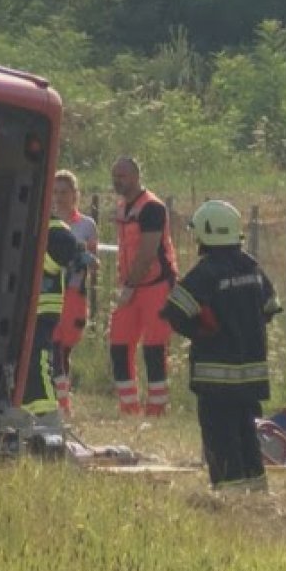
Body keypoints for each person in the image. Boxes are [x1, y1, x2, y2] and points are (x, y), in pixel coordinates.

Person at [160, 200, 281, 492]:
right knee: (245, 429)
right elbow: (270, 307)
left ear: (206, 233)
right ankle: (255, 486)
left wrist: (200, 331)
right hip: (252, 373)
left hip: (215, 374)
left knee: (220, 432)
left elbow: (174, 311)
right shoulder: (251, 266)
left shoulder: (206, 272)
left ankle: (230, 491)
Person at [109, 156, 178, 416]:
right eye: (115, 176)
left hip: (155, 285)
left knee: (154, 347)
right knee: (119, 344)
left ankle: (156, 408)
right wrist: (126, 285)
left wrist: (128, 286)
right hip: (131, 284)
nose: (118, 181)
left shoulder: (152, 208)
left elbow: (148, 253)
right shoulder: (122, 207)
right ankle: (129, 406)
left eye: (123, 175)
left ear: (136, 176)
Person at [22, 215, 96, 427]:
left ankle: (47, 421)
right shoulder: (47, 228)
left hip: (40, 314)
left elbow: (77, 257)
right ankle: (36, 416)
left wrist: (82, 256)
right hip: (30, 314)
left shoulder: (54, 232)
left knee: (40, 363)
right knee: (33, 364)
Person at [51, 170, 98, 404]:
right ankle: (61, 403)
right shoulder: (47, 221)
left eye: (64, 192)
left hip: (74, 294)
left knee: (65, 349)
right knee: (53, 346)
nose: (59, 197)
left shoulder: (86, 225)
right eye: (56, 192)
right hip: (50, 292)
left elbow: (93, 262)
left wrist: (84, 258)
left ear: (75, 195)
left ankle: (61, 397)